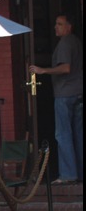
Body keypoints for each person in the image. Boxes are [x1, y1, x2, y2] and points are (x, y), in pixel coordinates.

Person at [29, 13, 83, 184]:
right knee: (78, 134)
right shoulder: (75, 41)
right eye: (56, 24)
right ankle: (79, 172)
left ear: (69, 27)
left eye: (59, 24)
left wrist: (43, 71)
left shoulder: (66, 42)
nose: (55, 27)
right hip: (77, 92)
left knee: (63, 134)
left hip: (65, 94)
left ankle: (68, 174)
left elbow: (65, 68)